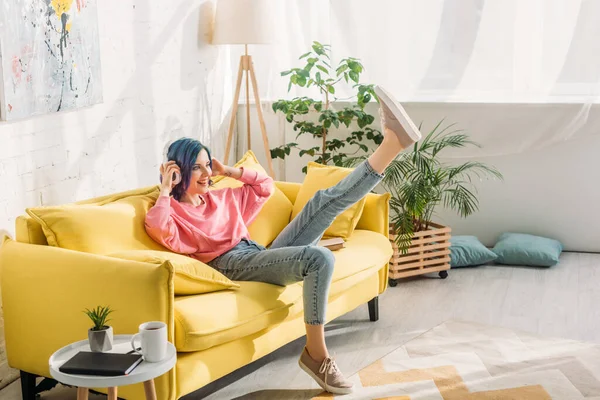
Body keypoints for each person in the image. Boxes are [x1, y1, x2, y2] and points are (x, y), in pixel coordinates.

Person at [145, 86, 421, 394]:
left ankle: (392, 145)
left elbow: (265, 187)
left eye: (207, 164)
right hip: (230, 265)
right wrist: (166, 192)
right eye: (196, 166)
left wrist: (229, 170)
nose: (206, 173)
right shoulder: (175, 212)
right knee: (320, 258)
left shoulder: (221, 197)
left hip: (255, 254)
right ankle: (317, 355)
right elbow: (158, 229)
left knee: (322, 202)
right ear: (178, 171)